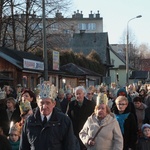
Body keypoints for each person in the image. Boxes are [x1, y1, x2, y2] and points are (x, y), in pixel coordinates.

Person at [19, 82, 76, 150]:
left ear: (54, 104)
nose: (44, 106)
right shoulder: (30, 121)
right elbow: (24, 146)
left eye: (48, 103)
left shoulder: (64, 121)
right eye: (42, 103)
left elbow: (70, 146)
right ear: (37, 103)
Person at [67, 86, 95, 150]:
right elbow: (68, 117)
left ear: (84, 94)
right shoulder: (71, 104)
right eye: (76, 94)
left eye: (79, 94)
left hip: (87, 132)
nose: (78, 96)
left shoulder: (91, 104)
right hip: (75, 132)